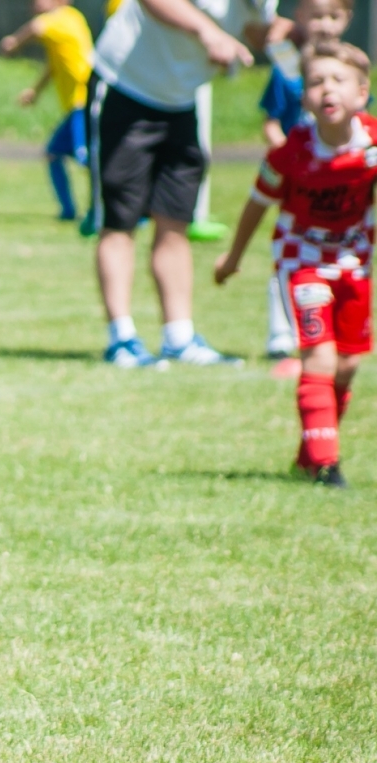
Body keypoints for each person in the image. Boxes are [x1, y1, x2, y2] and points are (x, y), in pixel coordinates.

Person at [88, 0, 290, 368]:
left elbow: (256, 30)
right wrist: (207, 32)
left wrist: (298, 33)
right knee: (119, 221)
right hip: (126, 87)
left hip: (181, 101)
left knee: (175, 220)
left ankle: (178, 338)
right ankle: (122, 338)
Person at [215, 42, 375, 489]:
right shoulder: (289, 154)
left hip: (354, 261)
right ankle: (326, 465)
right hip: (301, 259)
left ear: (362, 94)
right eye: (316, 81)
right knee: (319, 357)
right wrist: (232, 258)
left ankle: (309, 457)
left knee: (346, 365)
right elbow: (256, 204)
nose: (327, 89)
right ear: (304, 97)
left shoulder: (372, 146)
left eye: (338, 80)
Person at [257, 0, 352, 371]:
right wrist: (288, 157)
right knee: (289, 250)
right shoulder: (286, 64)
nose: (325, 25)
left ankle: (334, 328)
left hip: (339, 181)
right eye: (317, 16)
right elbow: (271, 122)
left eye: (333, 16)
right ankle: (281, 332)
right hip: (299, 181)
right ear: (299, 17)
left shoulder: (349, 65)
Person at [0, 0, 93, 223]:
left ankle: (119, 208)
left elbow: (36, 28)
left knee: (89, 158)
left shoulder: (66, 18)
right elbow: (54, 66)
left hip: (84, 102)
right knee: (55, 152)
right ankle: (68, 211)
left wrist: (13, 42)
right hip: (76, 105)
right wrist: (36, 91)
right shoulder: (59, 28)